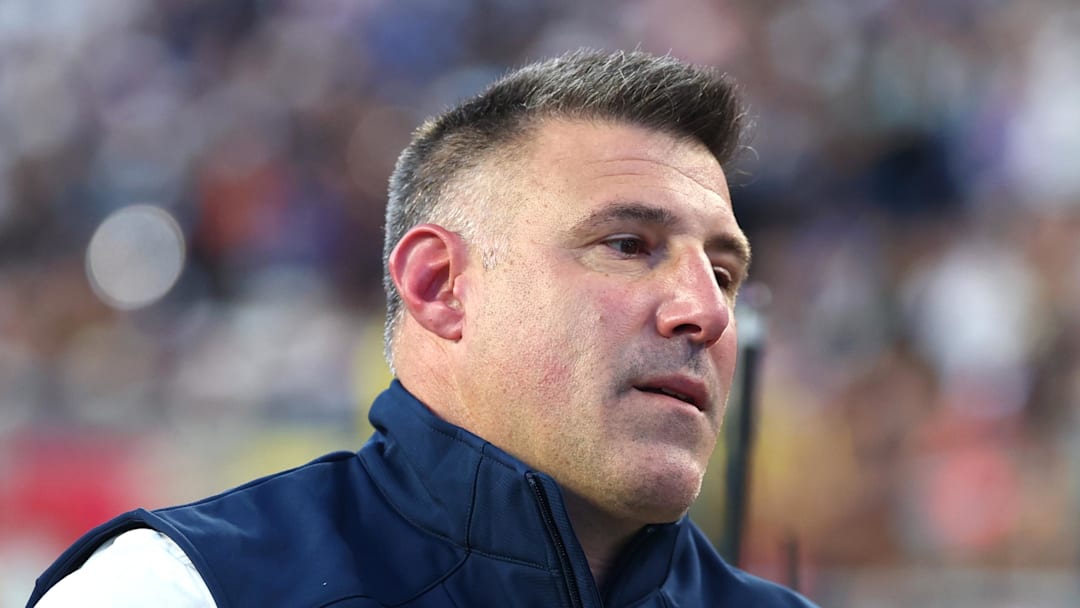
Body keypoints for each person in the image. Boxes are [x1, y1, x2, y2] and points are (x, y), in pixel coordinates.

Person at [28, 49, 818, 607]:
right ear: (439, 286)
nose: (707, 310)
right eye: (627, 245)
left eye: (724, 272)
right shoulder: (174, 591)